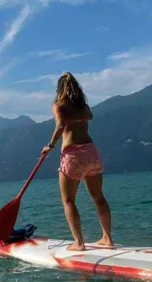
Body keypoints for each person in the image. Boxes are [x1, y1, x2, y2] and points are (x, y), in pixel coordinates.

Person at [41, 72, 113, 251]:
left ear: (59, 88)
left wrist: (50, 146)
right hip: (91, 152)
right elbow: (89, 117)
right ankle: (107, 238)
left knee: (69, 201)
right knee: (98, 197)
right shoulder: (84, 107)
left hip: (73, 155)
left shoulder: (58, 105)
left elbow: (60, 126)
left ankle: (79, 243)